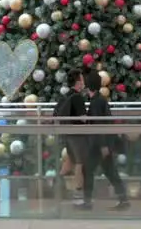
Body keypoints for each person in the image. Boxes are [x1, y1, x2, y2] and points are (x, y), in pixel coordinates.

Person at [75, 71, 130, 210]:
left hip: (98, 145)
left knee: (89, 170)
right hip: (102, 144)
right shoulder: (100, 101)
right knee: (110, 172)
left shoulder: (96, 103)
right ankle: (123, 199)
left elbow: (100, 125)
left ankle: (88, 202)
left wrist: (104, 145)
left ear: (89, 87)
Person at [58, 69, 88, 197]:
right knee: (79, 162)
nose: (83, 82)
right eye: (82, 79)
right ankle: (78, 191)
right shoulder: (77, 97)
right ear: (78, 82)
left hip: (67, 134)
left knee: (70, 161)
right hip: (77, 135)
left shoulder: (66, 95)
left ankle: (57, 187)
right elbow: (83, 118)